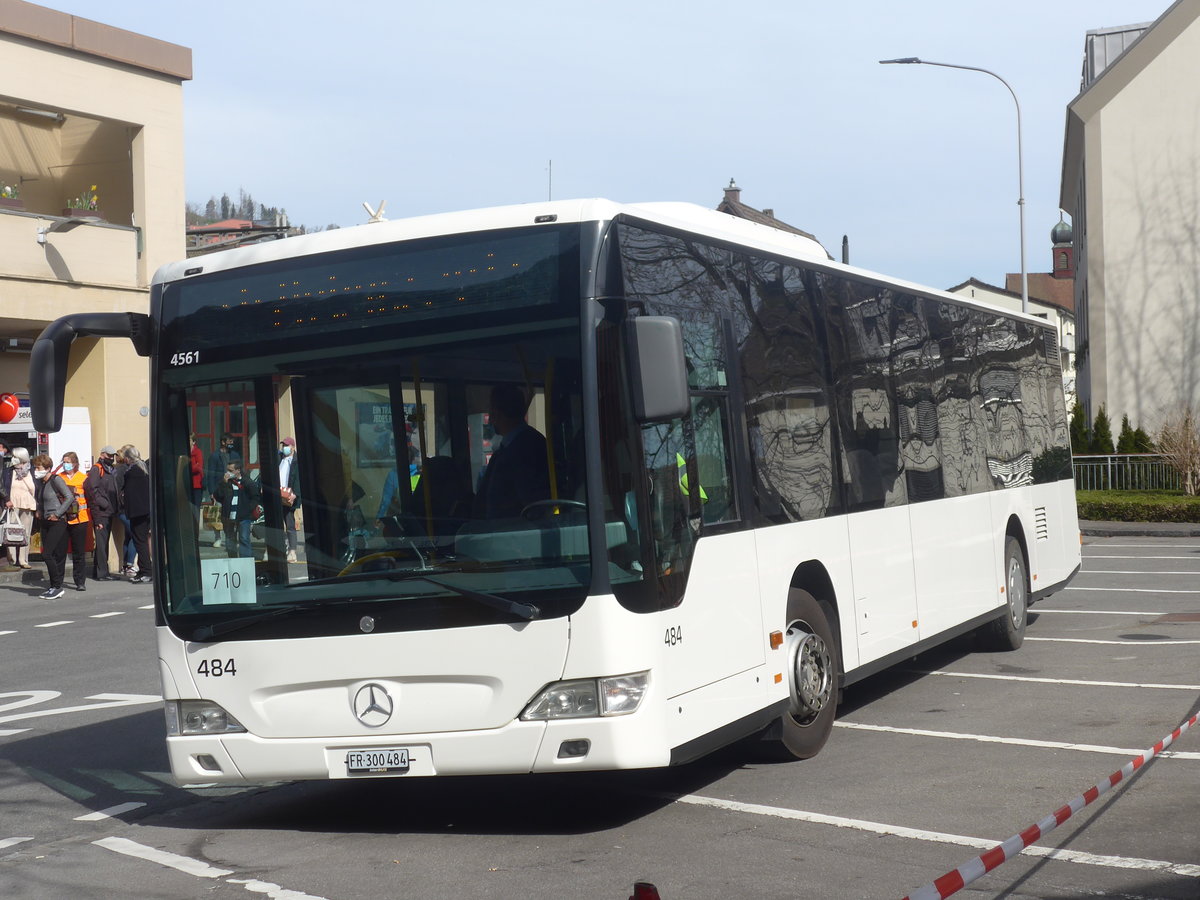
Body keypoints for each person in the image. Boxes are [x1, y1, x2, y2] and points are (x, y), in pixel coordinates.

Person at [472, 384, 550, 519]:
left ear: (498, 413)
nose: (490, 418)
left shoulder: (526, 447)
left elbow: (531, 503)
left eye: (491, 410)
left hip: (512, 533)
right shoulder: (510, 447)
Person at [34, 453, 73, 599]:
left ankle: (57, 586)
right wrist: (39, 510)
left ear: (48, 468)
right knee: (56, 554)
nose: (36, 470)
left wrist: (57, 513)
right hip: (45, 521)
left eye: (38, 467)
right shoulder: (41, 483)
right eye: (35, 467)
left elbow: (69, 497)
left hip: (58, 521)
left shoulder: (56, 480)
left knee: (47, 554)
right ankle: (54, 586)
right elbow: (40, 500)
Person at [84, 446, 120, 581]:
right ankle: (102, 573)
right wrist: (103, 503)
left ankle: (100, 571)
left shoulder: (110, 470)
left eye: (113, 456)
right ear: (102, 455)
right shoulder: (97, 469)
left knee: (103, 543)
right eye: (109, 455)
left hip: (109, 511)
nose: (111, 458)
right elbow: (92, 490)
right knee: (101, 543)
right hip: (102, 512)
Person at [56, 451, 90, 592]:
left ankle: (80, 581)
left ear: (75, 463)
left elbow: (90, 497)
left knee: (78, 552)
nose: (66, 464)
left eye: (68, 461)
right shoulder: (59, 478)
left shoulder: (84, 478)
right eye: (64, 461)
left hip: (80, 519)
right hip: (63, 519)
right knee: (60, 552)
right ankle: (57, 581)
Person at [118, 445, 153, 583]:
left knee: (140, 541)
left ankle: (146, 571)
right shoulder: (143, 468)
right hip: (145, 511)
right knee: (141, 541)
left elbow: (130, 494)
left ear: (127, 458)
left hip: (138, 512)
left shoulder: (132, 471)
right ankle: (144, 570)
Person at [212, 459, 260, 559]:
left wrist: (247, 509)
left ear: (238, 470)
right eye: (227, 470)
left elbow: (255, 497)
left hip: (243, 517)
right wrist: (224, 483)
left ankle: (245, 561)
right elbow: (218, 496)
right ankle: (233, 561)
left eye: (231, 470)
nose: (228, 472)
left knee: (244, 539)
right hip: (228, 516)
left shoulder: (247, 482)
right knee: (230, 540)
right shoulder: (226, 482)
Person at [205, 434, 241, 546]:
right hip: (219, 489)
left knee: (233, 514)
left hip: (233, 488)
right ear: (223, 442)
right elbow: (210, 475)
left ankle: (233, 537)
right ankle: (218, 538)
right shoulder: (215, 456)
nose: (231, 443)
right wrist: (211, 492)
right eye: (229, 441)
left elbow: (240, 471)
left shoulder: (235, 455)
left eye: (232, 441)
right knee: (218, 513)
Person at [5, 448, 36, 569]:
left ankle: (23, 560)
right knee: (11, 532)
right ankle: (12, 559)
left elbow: (35, 488)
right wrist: (7, 499)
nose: (12, 458)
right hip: (13, 505)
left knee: (25, 533)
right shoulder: (9, 471)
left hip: (28, 504)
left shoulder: (32, 471)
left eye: (15, 456)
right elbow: (4, 486)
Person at [277, 437, 300, 562]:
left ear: (292, 447)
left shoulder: (296, 461)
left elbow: (298, 480)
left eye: (286, 445)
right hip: (278, 494)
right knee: (276, 524)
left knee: (290, 524)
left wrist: (294, 494)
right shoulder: (280, 459)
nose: (284, 447)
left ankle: (292, 552)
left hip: (289, 496)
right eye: (283, 445)